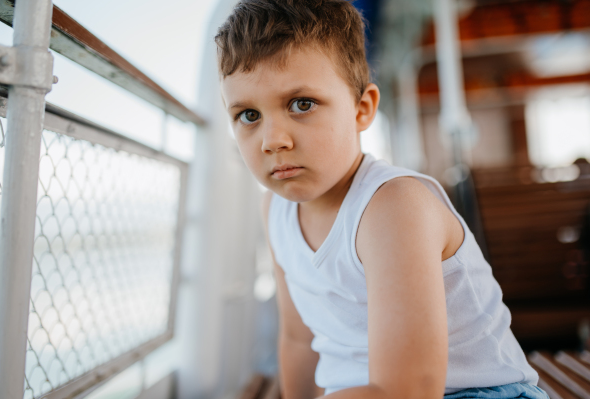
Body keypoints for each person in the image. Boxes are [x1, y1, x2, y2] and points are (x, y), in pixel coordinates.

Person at [215, 1, 547, 398]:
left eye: (301, 104)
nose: (273, 141)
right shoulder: (275, 210)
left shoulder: (393, 207)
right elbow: (299, 339)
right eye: (249, 115)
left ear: (362, 109)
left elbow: (405, 391)